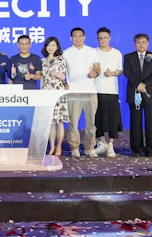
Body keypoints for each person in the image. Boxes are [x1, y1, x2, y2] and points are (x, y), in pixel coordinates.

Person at [63, 27, 100, 158]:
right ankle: (74, 147)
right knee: (73, 122)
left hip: (90, 91)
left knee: (91, 122)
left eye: (80, 36)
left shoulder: (92, 51)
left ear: (84, 37)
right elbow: (62, 72)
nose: (77, 38)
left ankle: (89, 147)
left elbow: (97, 69)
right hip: (73, 92)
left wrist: (94, 73)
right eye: (75, 36)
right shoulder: (65, 53)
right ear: (71, 38)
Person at [123, 33, 152, 157]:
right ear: (135, 43)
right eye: (138, 42)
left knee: (150, 122)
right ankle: (137, 149)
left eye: (143, 42)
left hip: (150, 94)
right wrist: (137, 84)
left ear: (147, 43)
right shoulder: (128, 57)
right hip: (134, 93)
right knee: (135, 122)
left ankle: (150, 149)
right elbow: (127, 72)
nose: (141, 44)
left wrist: (144, 84)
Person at [93, 27, 123, 158]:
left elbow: (120, 71)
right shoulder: (93, 52)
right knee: (97, 118)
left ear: (109, 38)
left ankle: (111, 145)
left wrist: (113, 73)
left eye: (105, 38)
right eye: (100, 38)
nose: (103, 40)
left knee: (113, 119)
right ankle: (101, 143)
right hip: (96, 89)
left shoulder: (116, 53)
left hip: (111, 91)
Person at [41, 36, 69, 156]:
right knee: (50, 123)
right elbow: (42, 79)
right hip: (47, 94)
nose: (50, 47)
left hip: (58, 93)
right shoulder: (42, 61)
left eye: (53, 45)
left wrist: (56, 74)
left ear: (57, 47)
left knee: (60, 122)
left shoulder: (61, 60)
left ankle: (59, 147)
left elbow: (63, 77)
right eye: (48, 45)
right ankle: (51, 147)